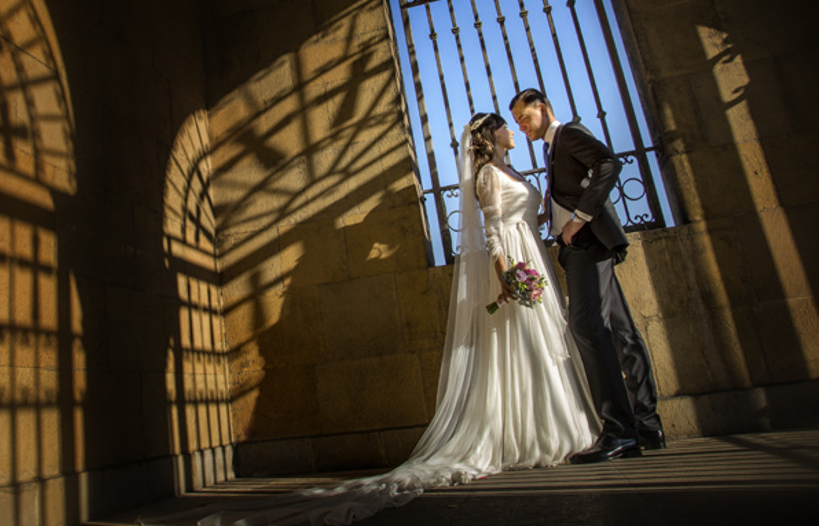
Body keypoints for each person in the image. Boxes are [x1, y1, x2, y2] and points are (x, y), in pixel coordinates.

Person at [186, 113, 597, 525]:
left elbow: (526, 216)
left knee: (541, 343)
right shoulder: (488, 174)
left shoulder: (512, 169)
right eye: (506, 124)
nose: (513, 129)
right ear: (491, 135)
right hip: (511, 263)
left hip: (532, 256)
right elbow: (491, 231)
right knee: (518, 343)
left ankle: (545, 424)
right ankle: (532, 432)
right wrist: (505, 275)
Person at [509, 88, 665, 463]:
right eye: (516, 122)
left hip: (587, 243)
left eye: (524, 117)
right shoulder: (551, 147)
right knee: (623, 332)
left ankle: (618, 431)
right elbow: (571, 185)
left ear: (542, 108)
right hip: (583, 245)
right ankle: (647, 425)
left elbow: (608, 164)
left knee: (586, 329)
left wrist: (580, 219)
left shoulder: (569, 133)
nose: (522, 125)